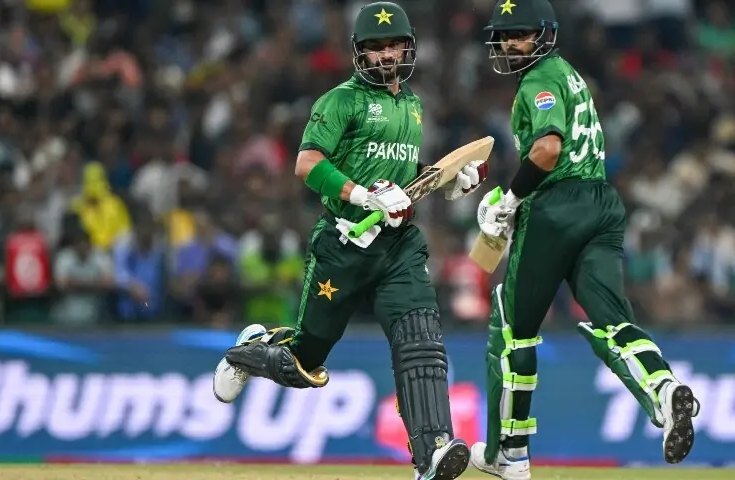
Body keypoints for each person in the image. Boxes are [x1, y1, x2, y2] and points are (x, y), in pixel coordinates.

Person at [213, 2, 487, 479]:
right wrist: (363, 196)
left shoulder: (414, 106)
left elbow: (405, 180)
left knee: (421, 344)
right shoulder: (339, 101)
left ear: (409, 48)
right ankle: (248, 352)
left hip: (399, 248)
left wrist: (450, 179)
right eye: (375, 48)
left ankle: (434, 453)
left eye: (393, 46)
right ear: (359, 53)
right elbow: (306, 164)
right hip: (343, 245)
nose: (385, 56)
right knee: (304, 363)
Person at [468, 1, 700, 479]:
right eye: (506, 35)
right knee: (612, 321)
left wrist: (510, 200)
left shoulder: (538, 80)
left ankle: (508, 453)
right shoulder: (569, 74)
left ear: (545, 35)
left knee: (513, 329)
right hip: (601, 204)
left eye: (522, 34)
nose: (511, 44)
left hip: (558, 206)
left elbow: (549, 150)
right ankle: (663, 387)